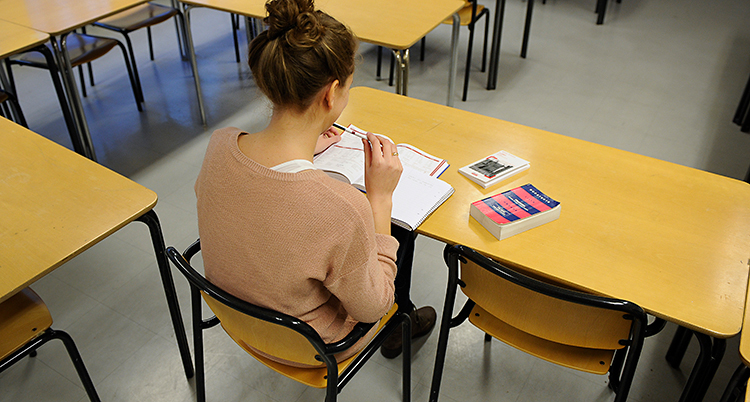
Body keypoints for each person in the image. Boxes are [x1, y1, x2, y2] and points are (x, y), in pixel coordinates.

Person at [194, 0, 435, 364]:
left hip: (237, 320)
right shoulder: (341, 209)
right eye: (348, 88)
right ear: (330, 93)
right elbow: (373, 306)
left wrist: (311, 135)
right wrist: (380, 199)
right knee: (398, 235)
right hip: (310, 347)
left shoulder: (220, 145)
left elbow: (259, 208)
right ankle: (402, 326)